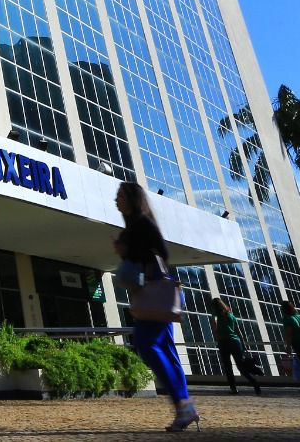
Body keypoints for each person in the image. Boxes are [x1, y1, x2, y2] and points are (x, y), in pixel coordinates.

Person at [113, 181, 198, 432]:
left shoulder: (141, 223)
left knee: (146, 344)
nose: (116, 200)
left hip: (155, 293)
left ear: (132, 199)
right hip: (158, 295)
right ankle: (184, 405)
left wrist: (128, 251)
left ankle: (183, 405)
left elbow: (161, 252)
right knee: (166, 350)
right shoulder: (135, 225)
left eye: (120, 195)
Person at [209, 297, 262, 395]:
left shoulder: (217, 316)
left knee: (228, 367)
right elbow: (238, 331)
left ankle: (234, 389)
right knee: (241, 366)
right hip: (235, 342)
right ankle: (254, 382)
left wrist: (214, 323)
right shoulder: (231, 315)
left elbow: (216, 332)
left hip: (224, 342)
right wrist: (244, 343)